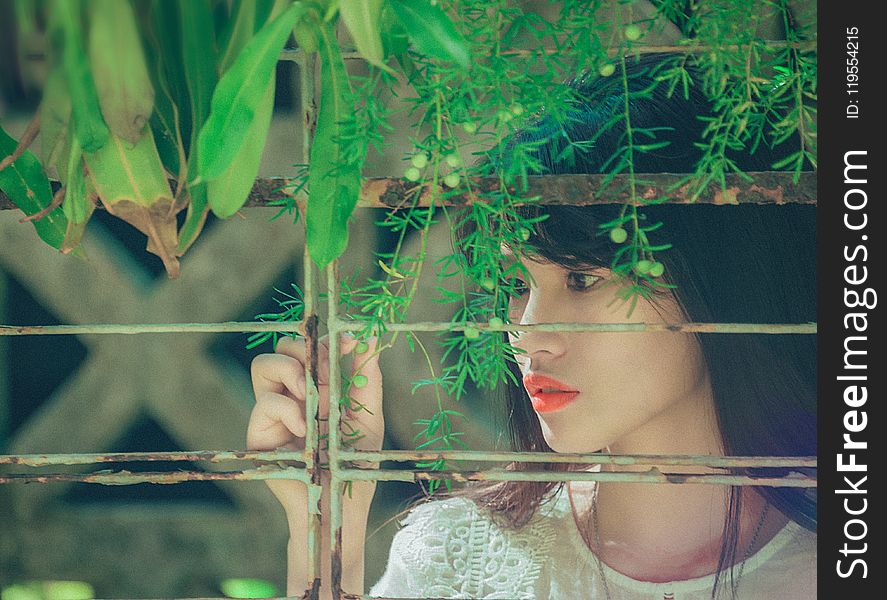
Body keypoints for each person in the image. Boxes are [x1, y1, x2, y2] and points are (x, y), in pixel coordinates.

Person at [246, 54, 816, 599]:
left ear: (717, 277)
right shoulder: (458, 559)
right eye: (517, 285)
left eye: (581, 280)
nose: (525, 332)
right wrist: (323, 533)